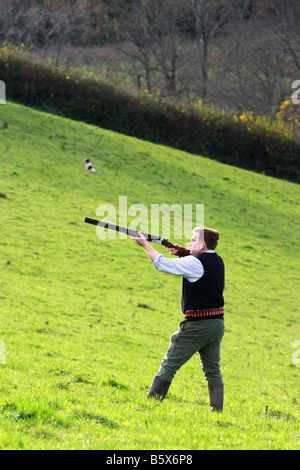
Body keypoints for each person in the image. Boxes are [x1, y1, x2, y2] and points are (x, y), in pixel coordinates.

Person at [133, 226, 225, 412]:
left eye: (193, 240)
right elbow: (199, 272)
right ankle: (217, 412)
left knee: (169, 364)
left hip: (197, 325)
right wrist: (182, 254)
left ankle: (150, 406)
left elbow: (160, 263)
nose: (189, 242)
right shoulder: (217, 260)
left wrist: (144, 244)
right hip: (216, 324)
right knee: (213, 371)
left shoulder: (194, 263)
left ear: (203, 244)